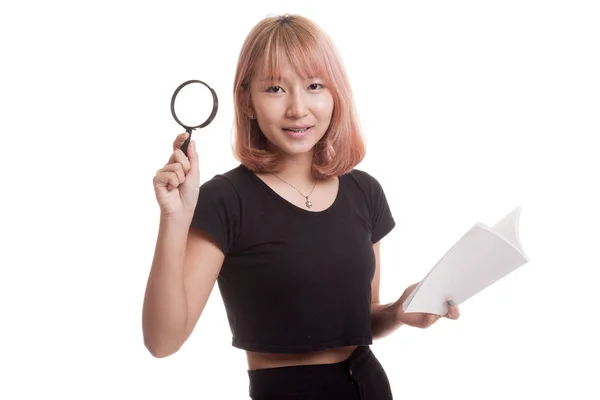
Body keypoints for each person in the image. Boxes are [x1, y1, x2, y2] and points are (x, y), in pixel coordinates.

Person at [142, 13, 460, 399]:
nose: (297, 108)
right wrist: (173, 219)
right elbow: (163, 341)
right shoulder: (226, 200)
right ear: (246, 102)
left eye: (313, 86)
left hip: (370, 386)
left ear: (334, 94)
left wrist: (398, 311)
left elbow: (360, 319)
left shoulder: (365, 192)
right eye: (275, 89)